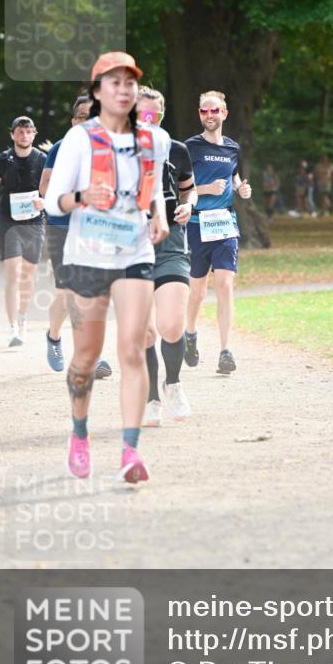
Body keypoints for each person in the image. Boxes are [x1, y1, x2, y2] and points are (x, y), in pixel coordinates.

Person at [44, 52, 169, 484]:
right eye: (113, 82)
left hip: (135, 252)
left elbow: (151, 189)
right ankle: (79, 434)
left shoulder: (152, 139)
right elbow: (52, 199)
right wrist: (82, 199)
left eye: (130, 82)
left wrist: (160, 216)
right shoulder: (79, 140)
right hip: (87, 256)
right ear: (98, 92)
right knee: (85, 357)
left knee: (133, 348)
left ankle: (130, 452)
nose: (123, 89)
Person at [135, 87, 197, 426]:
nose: (151, 120)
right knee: (145, 332)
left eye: (156, 115)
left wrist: (189, 204)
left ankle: (172, 383)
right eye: (144, 114)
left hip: (171, 239)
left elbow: (189, 188)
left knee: (171, 324)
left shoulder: (178, 150)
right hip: (131, 243)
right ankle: (151, 399)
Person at [39, 96, 112, 379]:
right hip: (62, 226)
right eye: (81, 117)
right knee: (68, 293)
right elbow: (44, 187)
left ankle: (92, 355)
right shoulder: (61, 148)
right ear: (73, 122)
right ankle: (54, 337)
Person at [184, 90, 252, 374]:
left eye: (214, 111)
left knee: (224, 285)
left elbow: (233, 177)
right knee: (197, 291)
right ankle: (189, 333)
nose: (209, 116)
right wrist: (205, 190)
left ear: (224, 113)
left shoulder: (232, 148)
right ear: (200, 114)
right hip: (197, 225)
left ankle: (225, 350)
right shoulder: (190, 147)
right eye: (204, 111)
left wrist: (241, 189)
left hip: (224, 225)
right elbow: (179, 187)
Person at [0, 116, 46, 347]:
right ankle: (12, 328)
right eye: (20, 132)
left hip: (34, 223)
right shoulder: (2, 160)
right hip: (9, 222)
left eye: (28, 132)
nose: (24, 135)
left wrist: (44, 201)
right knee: (13, 273)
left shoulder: (42, 160)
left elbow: (53, 190)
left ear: (34, 134)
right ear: (12, 134)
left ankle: (23, 318)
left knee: (28, 275)